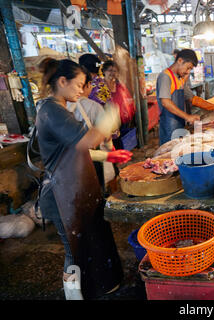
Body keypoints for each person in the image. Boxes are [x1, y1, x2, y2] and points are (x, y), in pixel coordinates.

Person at [35, 58, 124, 300]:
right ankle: (73, 296)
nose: (81, 90)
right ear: (62, 81)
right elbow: (85, 141)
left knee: (85, 247)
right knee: (73, 253)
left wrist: (108, 154)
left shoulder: (58, 107)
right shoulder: (51, 110)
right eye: (78, 85)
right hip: (61, 195)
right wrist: (109, 118)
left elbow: (74, 149)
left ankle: (90, 290)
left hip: (73, 190)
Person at [67, 69, 132, 193]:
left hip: (73, 166)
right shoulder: (93, 106)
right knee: (99, 186)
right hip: (93, 158)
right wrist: (110, 150)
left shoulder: (65, 106)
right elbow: (106, 135)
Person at [156, 49, 214, 145]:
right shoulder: (165, 76)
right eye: (187, 68)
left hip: (179, 124)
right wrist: (187, 117)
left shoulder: (179, 79)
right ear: (180, 61)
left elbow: (192, 98)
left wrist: (213, 106)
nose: (187, 71)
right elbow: (165, 102)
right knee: (169, 155)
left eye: (190, 69)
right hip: (169, 127)